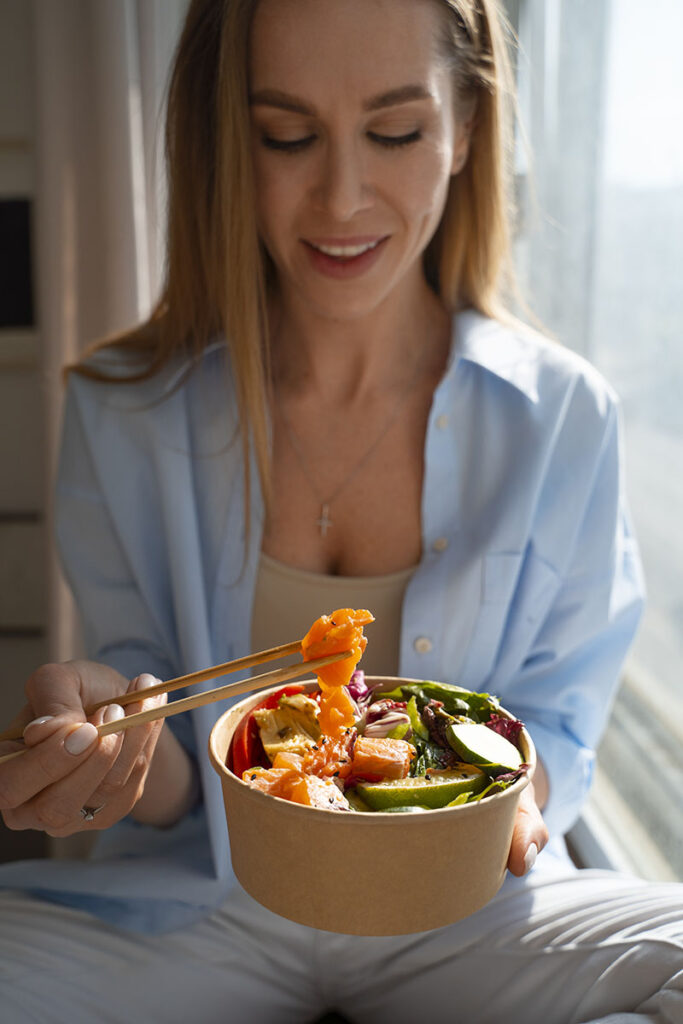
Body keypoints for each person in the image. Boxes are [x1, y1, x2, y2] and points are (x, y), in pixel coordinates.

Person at [1, 0, 681, 1021]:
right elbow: (174, 764)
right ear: (227, 140)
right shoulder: (122, 409)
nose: (342, 195)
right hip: (207, 906)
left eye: (396, 131)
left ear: (464, 131)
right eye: (286, 135)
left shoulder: (560, 416)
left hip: (466, 908)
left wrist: (506, 797)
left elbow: (556, 725)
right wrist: (114, 733)